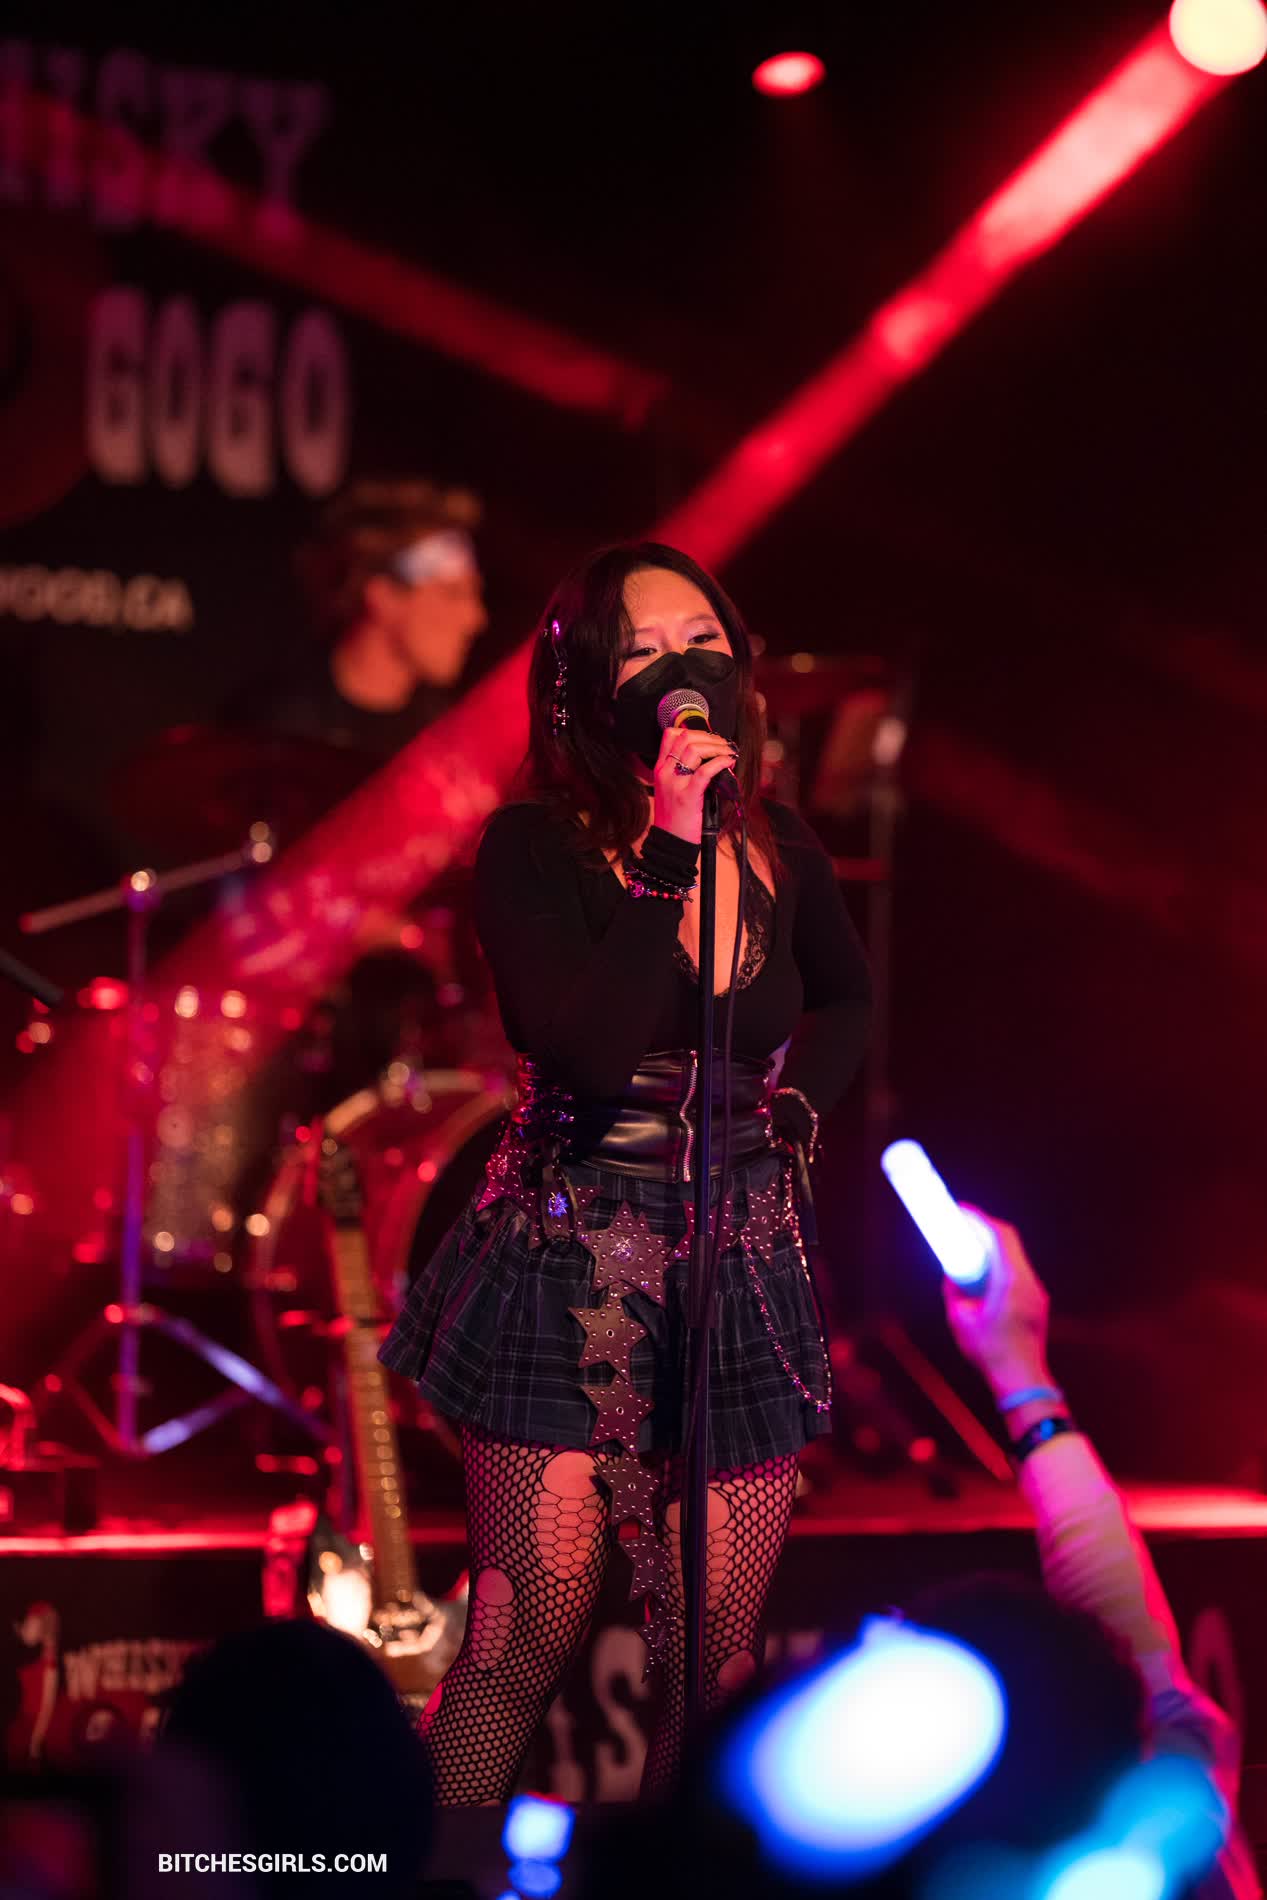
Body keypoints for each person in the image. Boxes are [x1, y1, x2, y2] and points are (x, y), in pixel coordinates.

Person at [379, 541, 873, 1802]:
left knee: (711, 1662)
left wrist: (793, 1108)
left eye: (699, 641)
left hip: (738, 1256)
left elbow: (848, 996)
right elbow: (588, 1053)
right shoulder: (530, 849)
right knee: (521, 1642)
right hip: (572, 1254)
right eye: (642, 650)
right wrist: (665, 849)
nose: (678, 668)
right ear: (589, 687)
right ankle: (423, 1870)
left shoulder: (785, 847)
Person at [236, 476, 487, 760]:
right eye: (453, 593)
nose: (476, 618)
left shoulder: (450, 735)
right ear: (383, 596)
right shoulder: (278, 726)